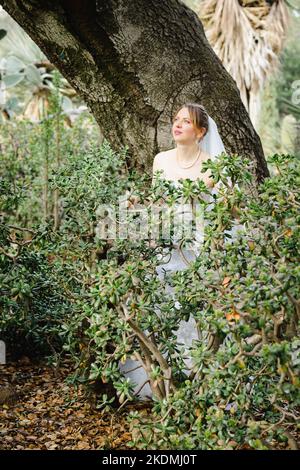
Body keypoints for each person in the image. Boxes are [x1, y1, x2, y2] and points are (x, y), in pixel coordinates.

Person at [119, 103, 226, 400]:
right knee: (163, 310)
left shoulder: (213, 164)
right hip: (166, 245)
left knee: (194, 312)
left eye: (186, 122)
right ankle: (162, 381)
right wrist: (139, 206)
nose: (177, 125)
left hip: (197, 246)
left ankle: (197, 380)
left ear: (201, 131)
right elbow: (158, 202)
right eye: (175, 119)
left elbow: (205, 207)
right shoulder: (161, 160)